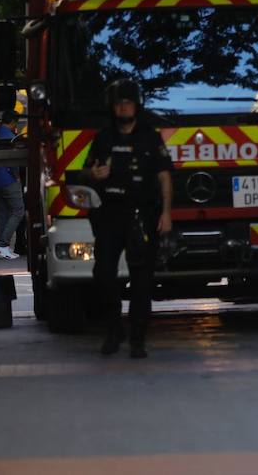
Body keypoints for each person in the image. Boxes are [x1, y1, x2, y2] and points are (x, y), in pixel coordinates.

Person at [82, 79, 173, 358]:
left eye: (129, 103)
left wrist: (167, 213)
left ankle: (137, 338)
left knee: (143, 280)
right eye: (120, 103)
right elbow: (86, 170)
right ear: (113, 107)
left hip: (142, 215)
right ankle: (113, 330)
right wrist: (93, 175)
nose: (124, 108)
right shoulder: (104, 137)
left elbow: (165, 176)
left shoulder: (150, 137)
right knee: (104, 273)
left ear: (137, 106)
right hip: (109, 214)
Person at [0, 112, 24, 260]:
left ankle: (2, 249)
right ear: (14, 122)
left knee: (3, 212)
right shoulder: (10, 136)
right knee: (18, 210)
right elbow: (12, 161)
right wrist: (17, 176)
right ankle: (2, 244)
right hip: (8, 179)